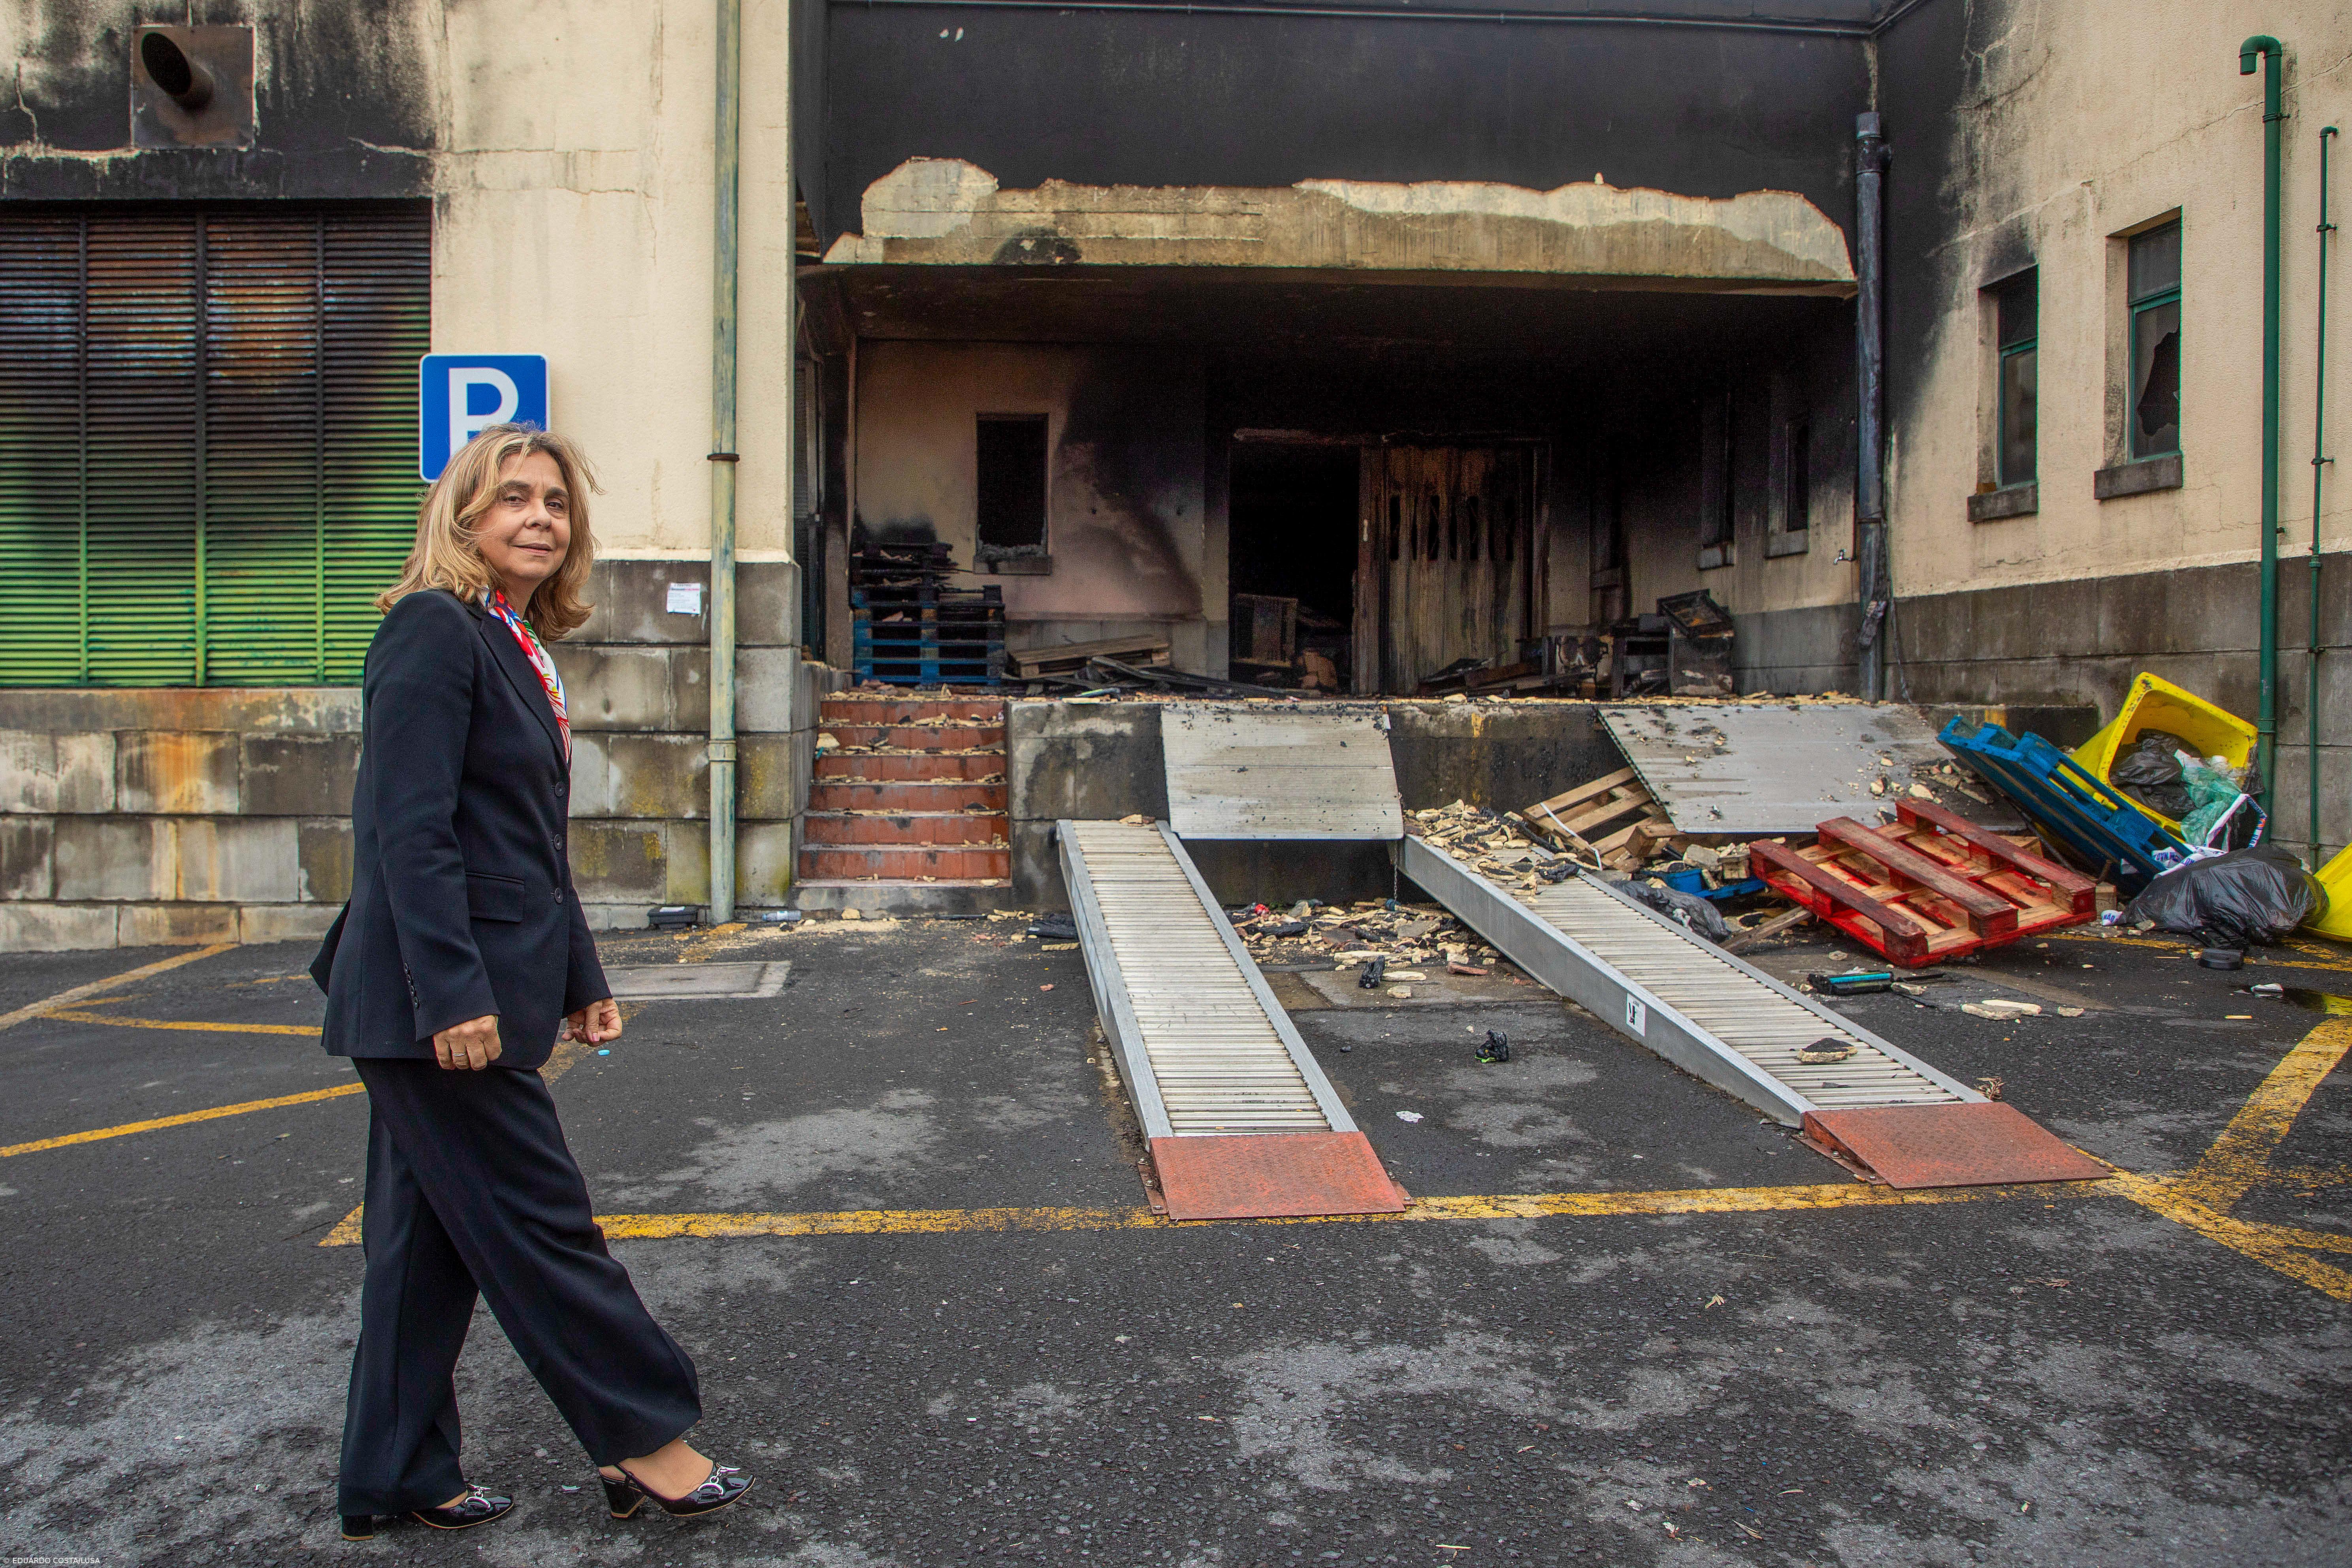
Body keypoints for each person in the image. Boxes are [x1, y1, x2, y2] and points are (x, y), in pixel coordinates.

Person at [312, 423, 752, 1540]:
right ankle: (640, 1439)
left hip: (473, 980)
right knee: (542, 1220)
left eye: (554, 501)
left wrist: (578, 975)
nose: (539, 517)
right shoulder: (431, 627)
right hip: (433, 1002)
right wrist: (453, 993)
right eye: (511, 498)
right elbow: (406, 833)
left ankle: (397, 1470)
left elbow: (522, 842)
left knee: (423, 1248)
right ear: (463, 517)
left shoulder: (511, 642)